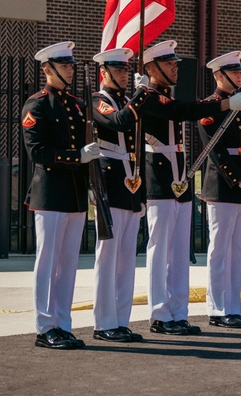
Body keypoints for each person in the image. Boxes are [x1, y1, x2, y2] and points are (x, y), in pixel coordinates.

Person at [138, 40, 241, 335]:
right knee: (159, 249)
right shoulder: (148, 97)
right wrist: (225, 103)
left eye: (175, 63)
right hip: (159, 178)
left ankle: (178, 311)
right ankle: (160, 314)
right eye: (170, 64)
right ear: (152, 68)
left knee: (178, 251)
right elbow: (185, 110)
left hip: (179, 179)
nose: (176, 68)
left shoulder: (162, 96)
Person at [21, 41, 100, 350]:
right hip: (50, 193)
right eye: (64, 65)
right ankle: (44, 326)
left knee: (68, 263)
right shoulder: (37, 105)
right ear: (47, 69)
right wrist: (76, 156)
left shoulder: (79, 105)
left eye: (71, 65)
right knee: (48, 261)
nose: (70, 69)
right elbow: (37, 151)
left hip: (75, 194)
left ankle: (62, 323)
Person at [198, 51, 241, 329]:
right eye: (234, 73)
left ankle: (233, 306)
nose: (239, 76)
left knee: (236, 249)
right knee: (220, 249)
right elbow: (215, 152)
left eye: (239, 72)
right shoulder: (210, 107)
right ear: (219, 76)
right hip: (222, 186)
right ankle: (216, 308)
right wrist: (240, 180)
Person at [90, 47, 149, 343]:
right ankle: (104, 322)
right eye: (120, 70)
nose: (125, 74)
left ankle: (121, 320)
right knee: (108, 257)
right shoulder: (99, 101)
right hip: (111, 185)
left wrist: (143, 195)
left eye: (126, 70)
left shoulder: (128, 101)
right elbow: (118, 123)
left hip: (132, 186)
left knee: (127, 258)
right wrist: (140, 95)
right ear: (105, 73)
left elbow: (139, 145)